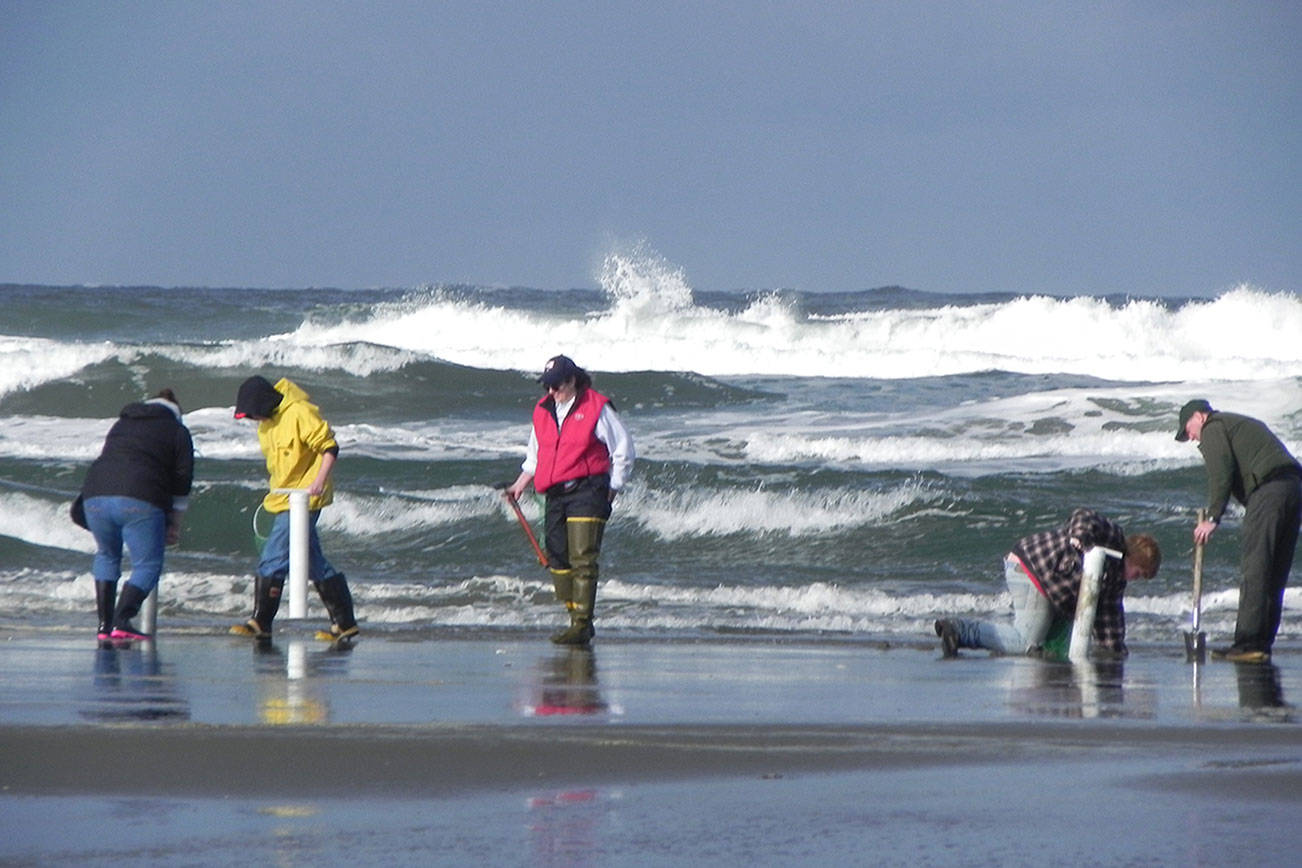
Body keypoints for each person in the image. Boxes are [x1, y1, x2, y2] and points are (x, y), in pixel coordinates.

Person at [506, 355, 635, 645]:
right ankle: (576, 615)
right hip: (554, 492)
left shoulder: (596, 407)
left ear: (572, 380)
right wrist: (520, 484)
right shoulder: (543, 409)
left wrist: (612, 488)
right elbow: (535, 456)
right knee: (557, 558)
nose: (551, 392)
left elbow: (623, 450)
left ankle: (580, 625)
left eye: (556, 386)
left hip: (588, 489)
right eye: (547, 386)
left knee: (583, 558)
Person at [230, 375, 358, 643]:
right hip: (282, 498)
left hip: (305, 500)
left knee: (274, 556)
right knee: (311, 561)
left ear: (263, 405)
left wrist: (319, 482)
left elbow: (330, 447)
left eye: (253, 415)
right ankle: (344, 623)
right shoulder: (266, 424)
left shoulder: (299, 412)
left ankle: (261, 621)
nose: (254, 421)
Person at [933, 508, 1161, 658]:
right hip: (1030, 569)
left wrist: (1116, 653)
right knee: (1025, 641)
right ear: (1133, 557)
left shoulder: (1114, 584)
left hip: (1052, 591)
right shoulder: (1113, 537)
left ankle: (1002, 648)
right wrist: (1080, 537)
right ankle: (959, 630)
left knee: (1055, 649)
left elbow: (1110, 622)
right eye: (1139, 573)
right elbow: (1084, 516)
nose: (1136, 579)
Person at [1176, 399, 1301, 663]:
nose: (1190, 437)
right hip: (1293, 488)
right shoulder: (1236, 424)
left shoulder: (1213, 428)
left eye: (1188, 429)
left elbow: (1221, 472)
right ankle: (1261, 644)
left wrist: (1212, 517)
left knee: (1255, 569)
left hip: (1269, 492)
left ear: (1199, 416)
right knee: (1274, 572)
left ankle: (1246, 644)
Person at [74, 388, 194, 644]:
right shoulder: (177, 431)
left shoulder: (122, 424)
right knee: (148, 564)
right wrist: (175, 522)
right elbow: (183, 478)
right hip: (139, 497)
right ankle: (122, 620)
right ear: (177, 411)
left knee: (107, 555)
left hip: (94, 495)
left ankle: (105, 626)